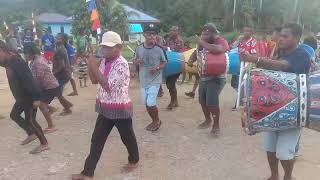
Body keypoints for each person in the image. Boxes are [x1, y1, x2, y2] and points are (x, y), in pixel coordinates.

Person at [239, 23, 310, 180]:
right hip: (271, 109)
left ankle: (288, 177)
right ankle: (274, 176)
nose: (281, 39)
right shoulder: (280, 52)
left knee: (284, 153)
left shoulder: (301, 55)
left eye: (286, 36)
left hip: (294, 111)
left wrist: (255, 59)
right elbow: (271, 68)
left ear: (297, 38)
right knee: (270, 148)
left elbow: (283, 66)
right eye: (281, 35)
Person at [72, 31, 139, 180]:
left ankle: (134, 160)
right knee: (97, 139)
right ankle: (87, 173)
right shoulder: (104, 61)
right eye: (104, 47)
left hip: (119, 108)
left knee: (127, 137)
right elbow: (95, 80)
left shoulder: (121, 64)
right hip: (105, 107)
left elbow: (108, 85)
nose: (105, 50)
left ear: (119, 47)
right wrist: (91, 65)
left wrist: (93, 65)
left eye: (109, 47)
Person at [0, 40, 49, 154]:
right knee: (14, 115)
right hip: (20, 97)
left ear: (2, 50)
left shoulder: (16, 61)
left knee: (30, 120)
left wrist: (37, 97)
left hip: (29, 95)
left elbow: (29, 79)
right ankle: (31, 134)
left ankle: (44, 143)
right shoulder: (6, 61)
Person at [187, 23, 229, 136]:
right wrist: (191, 60)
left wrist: (201, 42)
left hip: (216, 78)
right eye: (203, 33)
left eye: (207, 34)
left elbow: (218, 50)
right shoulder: (202, 41)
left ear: (214, 34)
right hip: (204, 77)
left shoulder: (221, 41)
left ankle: (216, 126)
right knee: (202, 100)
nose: (204, 36)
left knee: (212, 102)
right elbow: (196, 52)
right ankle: (208, 120)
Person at [24, 44, 65, 133]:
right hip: (49, 85)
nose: (24, 55)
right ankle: (51, 109)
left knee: (41, 104)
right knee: (41, 103)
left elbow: (38, 78)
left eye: (25, 54)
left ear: (30, 53)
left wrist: (35, 91)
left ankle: (51, 126)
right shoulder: (35, 60)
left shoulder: (38, 62)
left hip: (50, 86)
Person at [133, 24, 167, 131]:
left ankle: (156, 121)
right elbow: (134, 60)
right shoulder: (138, 48)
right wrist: (137, 62)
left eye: (154, 34)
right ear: (144, 35)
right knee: (146, 103)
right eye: (149, 34)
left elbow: (165, 62)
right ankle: (155, 120)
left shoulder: (159, 49)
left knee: (150, 102)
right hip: (143, 79)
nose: (152, 36)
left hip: (155, 80)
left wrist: (157, 68)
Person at [231, 26, 257, 110]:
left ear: (252, 32)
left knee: (242, 84)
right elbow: (232, 47)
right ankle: (242, 99)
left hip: (247, 65)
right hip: (238, 65)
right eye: (245, 31)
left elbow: (254, 55)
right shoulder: (241, 41)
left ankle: (239, 103)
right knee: (234, 84)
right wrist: (238, 40)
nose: (246, 32)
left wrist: (247, 58)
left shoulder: (253, 42)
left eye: (248, 31)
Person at [163, 26, 184, 110]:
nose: (172, 32)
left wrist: (168, 49)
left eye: (174, 30)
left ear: (177, 32)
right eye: (171, 30)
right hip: (169, 65)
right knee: (170, 84)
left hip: (177, 64)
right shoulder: (168, 40)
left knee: (171, 83)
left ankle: (173, 101)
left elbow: (179, 53)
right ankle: (175, 101)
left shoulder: (179, 41)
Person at [52, 33, 73, 116]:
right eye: (56, 37)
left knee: (58, 94)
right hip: (64, 74)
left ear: (63, 40)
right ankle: (68, 104)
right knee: (58, 93)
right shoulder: (61, 48)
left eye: (58, 38)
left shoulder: (60, 50)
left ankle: (68, 109)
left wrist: (53, 73)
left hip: (62, 75)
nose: (56, 39)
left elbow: (62, 66)